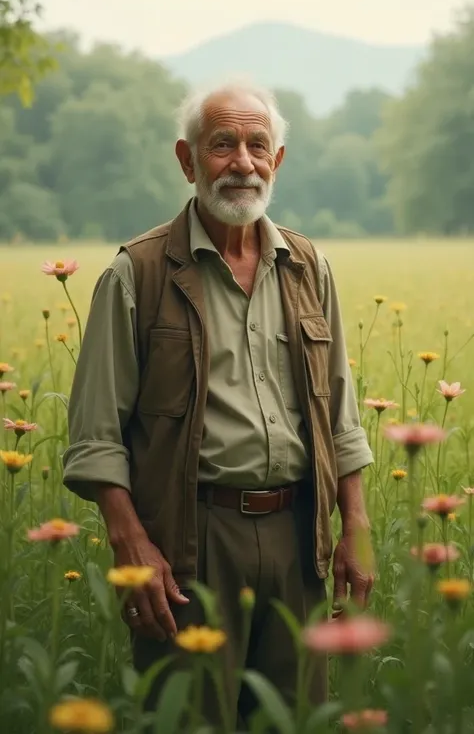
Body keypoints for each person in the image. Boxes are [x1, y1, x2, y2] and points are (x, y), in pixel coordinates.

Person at [63, 79, 374, 725]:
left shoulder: (308, 266)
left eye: (258, 145)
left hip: (299, 538)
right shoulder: (138, 274)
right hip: (189, 543)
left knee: (294, 718)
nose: (242, 162)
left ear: (278, 160)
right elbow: (95, 437)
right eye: (222, 144)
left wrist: (358, 529)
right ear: (188, 160)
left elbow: (339, 411)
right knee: (190, 718)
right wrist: (133, 546)